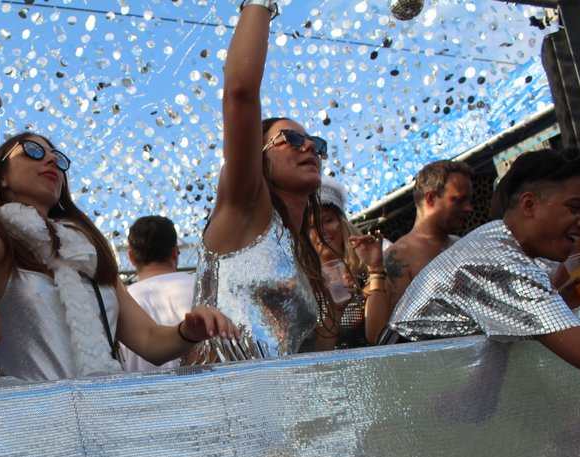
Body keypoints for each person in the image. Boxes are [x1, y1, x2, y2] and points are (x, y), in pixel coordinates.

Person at [0, 79, 236, 382]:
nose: (51, 159)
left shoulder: (86, 254)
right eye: (33, 151)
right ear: (2, 176)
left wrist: (187, 331)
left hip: (111, 418)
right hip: (35, 424)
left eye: (58, 158)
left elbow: (151, 341)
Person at [190, 0, 331, 362]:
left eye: (317, 143)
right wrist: (262, 5)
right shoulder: (246, 208)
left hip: (273, 408)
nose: (309, 147)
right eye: (293, 140)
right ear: (259, 154)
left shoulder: (301, 251)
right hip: (220, 405)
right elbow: (240, 91)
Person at [388, 149, 580, 378]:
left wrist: (560, 302)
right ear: (529, 204)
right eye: (575, 208)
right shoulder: (499, 261)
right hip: (418, 399)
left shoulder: (497, 243)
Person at [383, 160, 475, 314]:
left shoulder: (460, 245)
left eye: (469, 200)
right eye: (458, 200)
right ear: (431, 198)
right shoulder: (399, 256)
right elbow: (397, 328)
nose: (468, 208)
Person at [311, 177, 389, 348]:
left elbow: (378, 336)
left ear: (342, 223)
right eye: (312, 225)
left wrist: (375, 270)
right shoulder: (305, 286)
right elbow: (318, 355)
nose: (321, 230)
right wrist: (334, 310)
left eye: (327, 220)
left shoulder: (367, 271)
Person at [119, 215, 195, 372]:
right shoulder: (203, 286)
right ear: (174, 252)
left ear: (131, 257)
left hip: (138, 395)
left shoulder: (117, 302)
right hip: (209, 391)